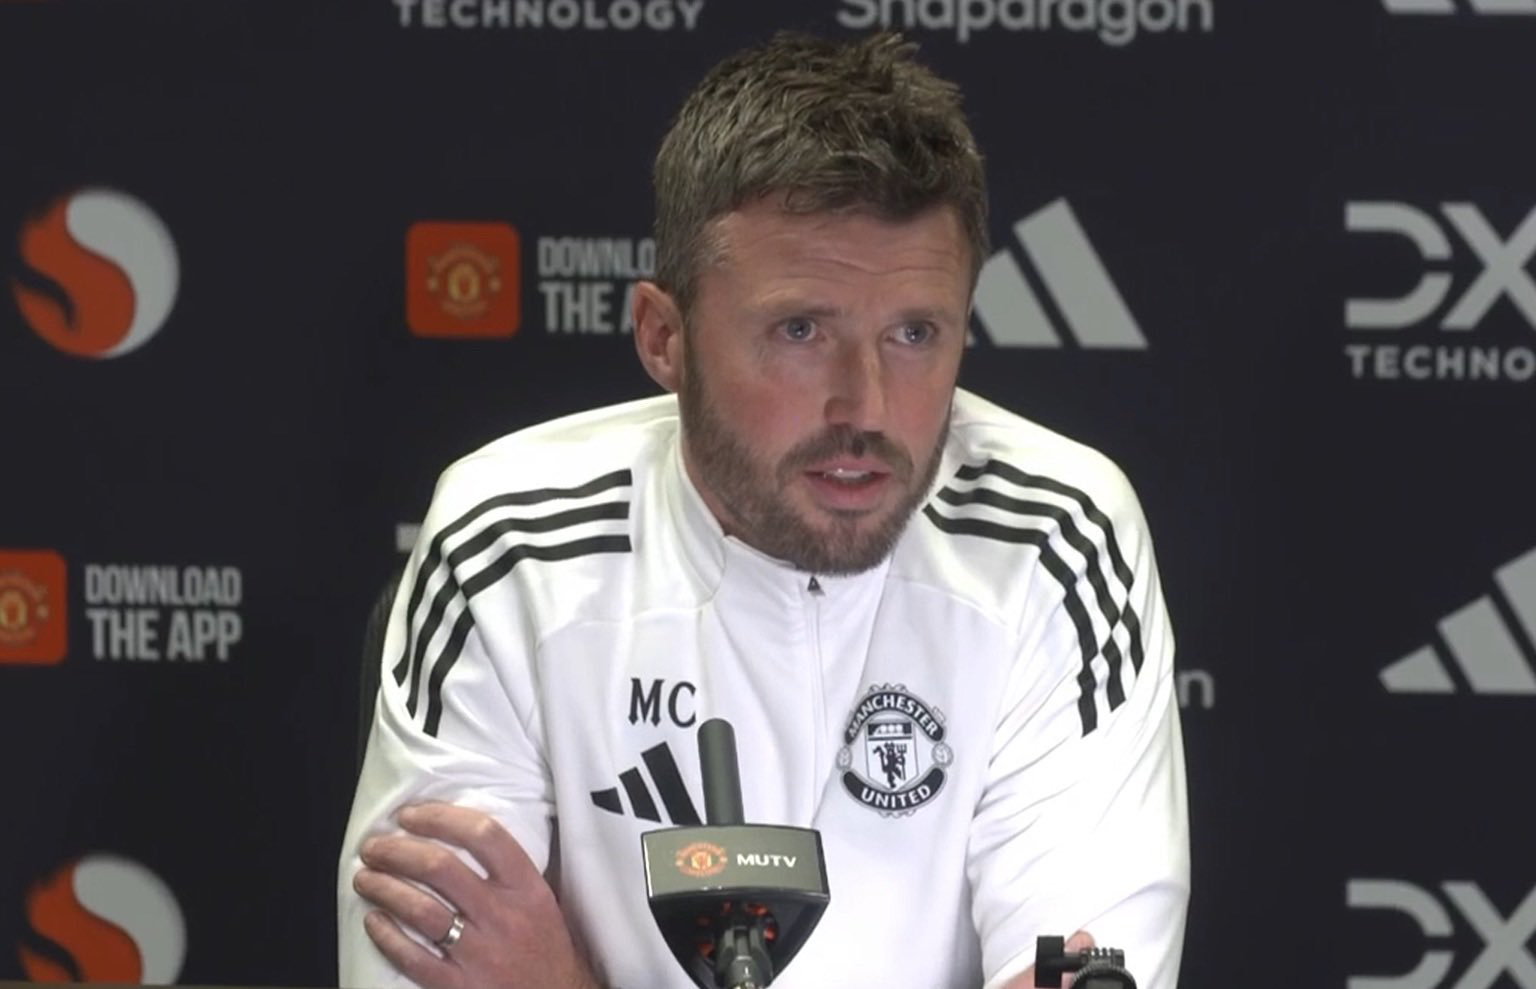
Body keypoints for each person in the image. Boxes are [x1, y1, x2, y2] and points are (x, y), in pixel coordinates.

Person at [338, 31, 1189, 989]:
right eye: (801, 329)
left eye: (915, 333)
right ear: (664, 337)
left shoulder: (1057, 538)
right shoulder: (509, 546)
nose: (866, 407)